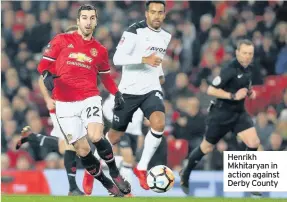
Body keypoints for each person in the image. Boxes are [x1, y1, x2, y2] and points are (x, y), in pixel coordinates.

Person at [36, 4, 130, 197]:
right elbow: (44, 64)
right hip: (64, 103)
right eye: (84, 18)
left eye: (92, 18)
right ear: (78, 21)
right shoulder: (61, 40)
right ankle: (105, 182)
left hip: (89, 97)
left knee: (96, 136)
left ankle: (114, 171)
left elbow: (105, 76)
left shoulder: (100, 50)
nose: (88, 21)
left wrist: (116, 92)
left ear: (95, 21)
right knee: (82, 149)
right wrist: (45, 74)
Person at [179, 39, 260, 195]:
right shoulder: (229, 69)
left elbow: (245, 85)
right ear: (237, 53)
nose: (248, 56)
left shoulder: (249, 68)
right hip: (221, 114)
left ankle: (247, 180)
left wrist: (250, 92)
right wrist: (232, 95)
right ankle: (186, 172)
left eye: (250, 53)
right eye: (244, 53)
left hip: (239, 114)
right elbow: (211, 90)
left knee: (254, 142)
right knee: (206, 147)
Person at [106, 0, 172, 190]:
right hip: (129, 91)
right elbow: (117, 59)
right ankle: (92, 167)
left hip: (151, 89)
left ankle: (142, 168)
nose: (157, 16)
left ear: (164, 14)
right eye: (153, 12)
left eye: (160, 12)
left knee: (159, 124)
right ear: (146, 14)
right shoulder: (134, 31)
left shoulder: (166, 36)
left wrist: (159, 74)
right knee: (114, 138)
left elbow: (157, 60)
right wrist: (144, 59)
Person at [16, 25, 85, 196]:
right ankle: (73, 188)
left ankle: (32, 137)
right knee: (69, 145)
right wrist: (48, 100)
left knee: (67, 147)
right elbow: (41, 79)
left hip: (77, 106)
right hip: (60, 106)